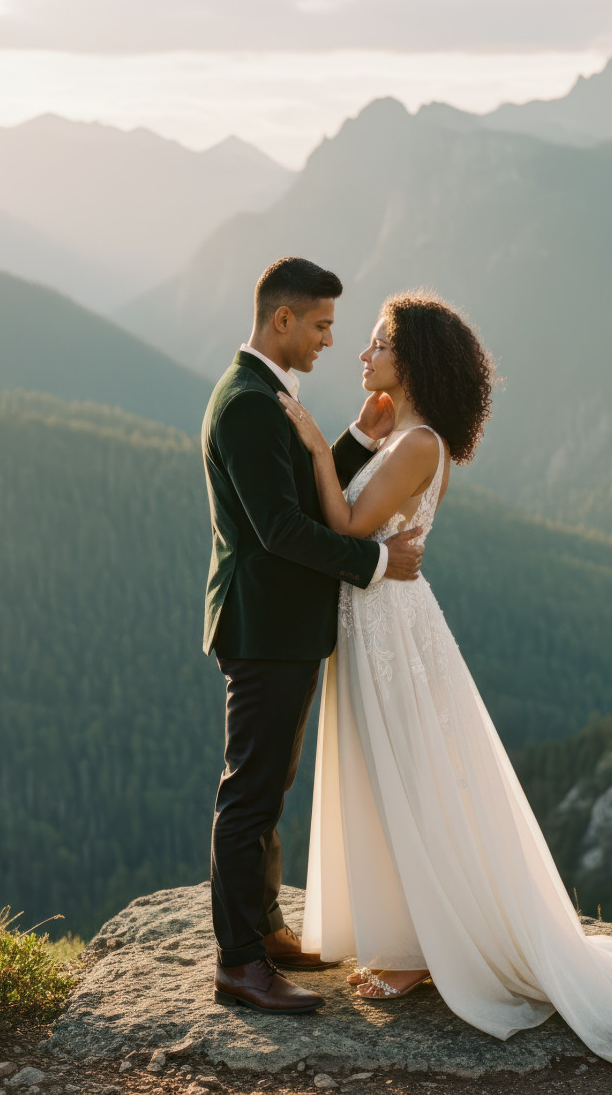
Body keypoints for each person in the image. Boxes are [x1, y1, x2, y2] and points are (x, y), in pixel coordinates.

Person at [282, 289, 612, 1071]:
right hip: (377, 621)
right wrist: (355, 437)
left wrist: (317, 446)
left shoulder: (418, 444)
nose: (363, 353)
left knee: (408, 778)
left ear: (412, 359)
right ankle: (405, 936)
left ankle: (419, 949)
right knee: (390, 777)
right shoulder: (406, 438)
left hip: (389, 630)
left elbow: (344, 524)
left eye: (378, 342)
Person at [201, 256, 425, 1015]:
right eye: (322, 325)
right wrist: (376, 563)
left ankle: (263, 930)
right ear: (282, 319)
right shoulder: (247, 404)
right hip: (264, 626)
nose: (331, 340)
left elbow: (296, 491)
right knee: (250, 793)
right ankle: (239, 963)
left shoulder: (263, 393)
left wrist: (355, 439)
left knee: (269, 786)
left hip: (282, 627)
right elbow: (280, 528)